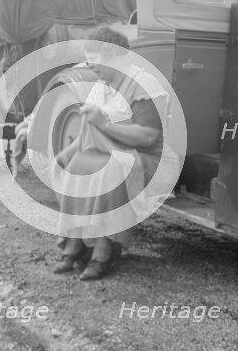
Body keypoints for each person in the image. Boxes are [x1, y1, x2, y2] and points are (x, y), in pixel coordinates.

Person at [51, 26, 177, 280]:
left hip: (149, 159)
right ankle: (75, 242)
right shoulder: (103, 85)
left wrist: (106, 124)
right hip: (114, 151)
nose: (89, 65)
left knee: (111, 170)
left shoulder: (143, 84)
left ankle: (105, 249)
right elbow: (91, 127)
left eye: (94, 59)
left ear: (115, 57)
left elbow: (148, 136)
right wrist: (68, 152)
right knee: (78, 164)